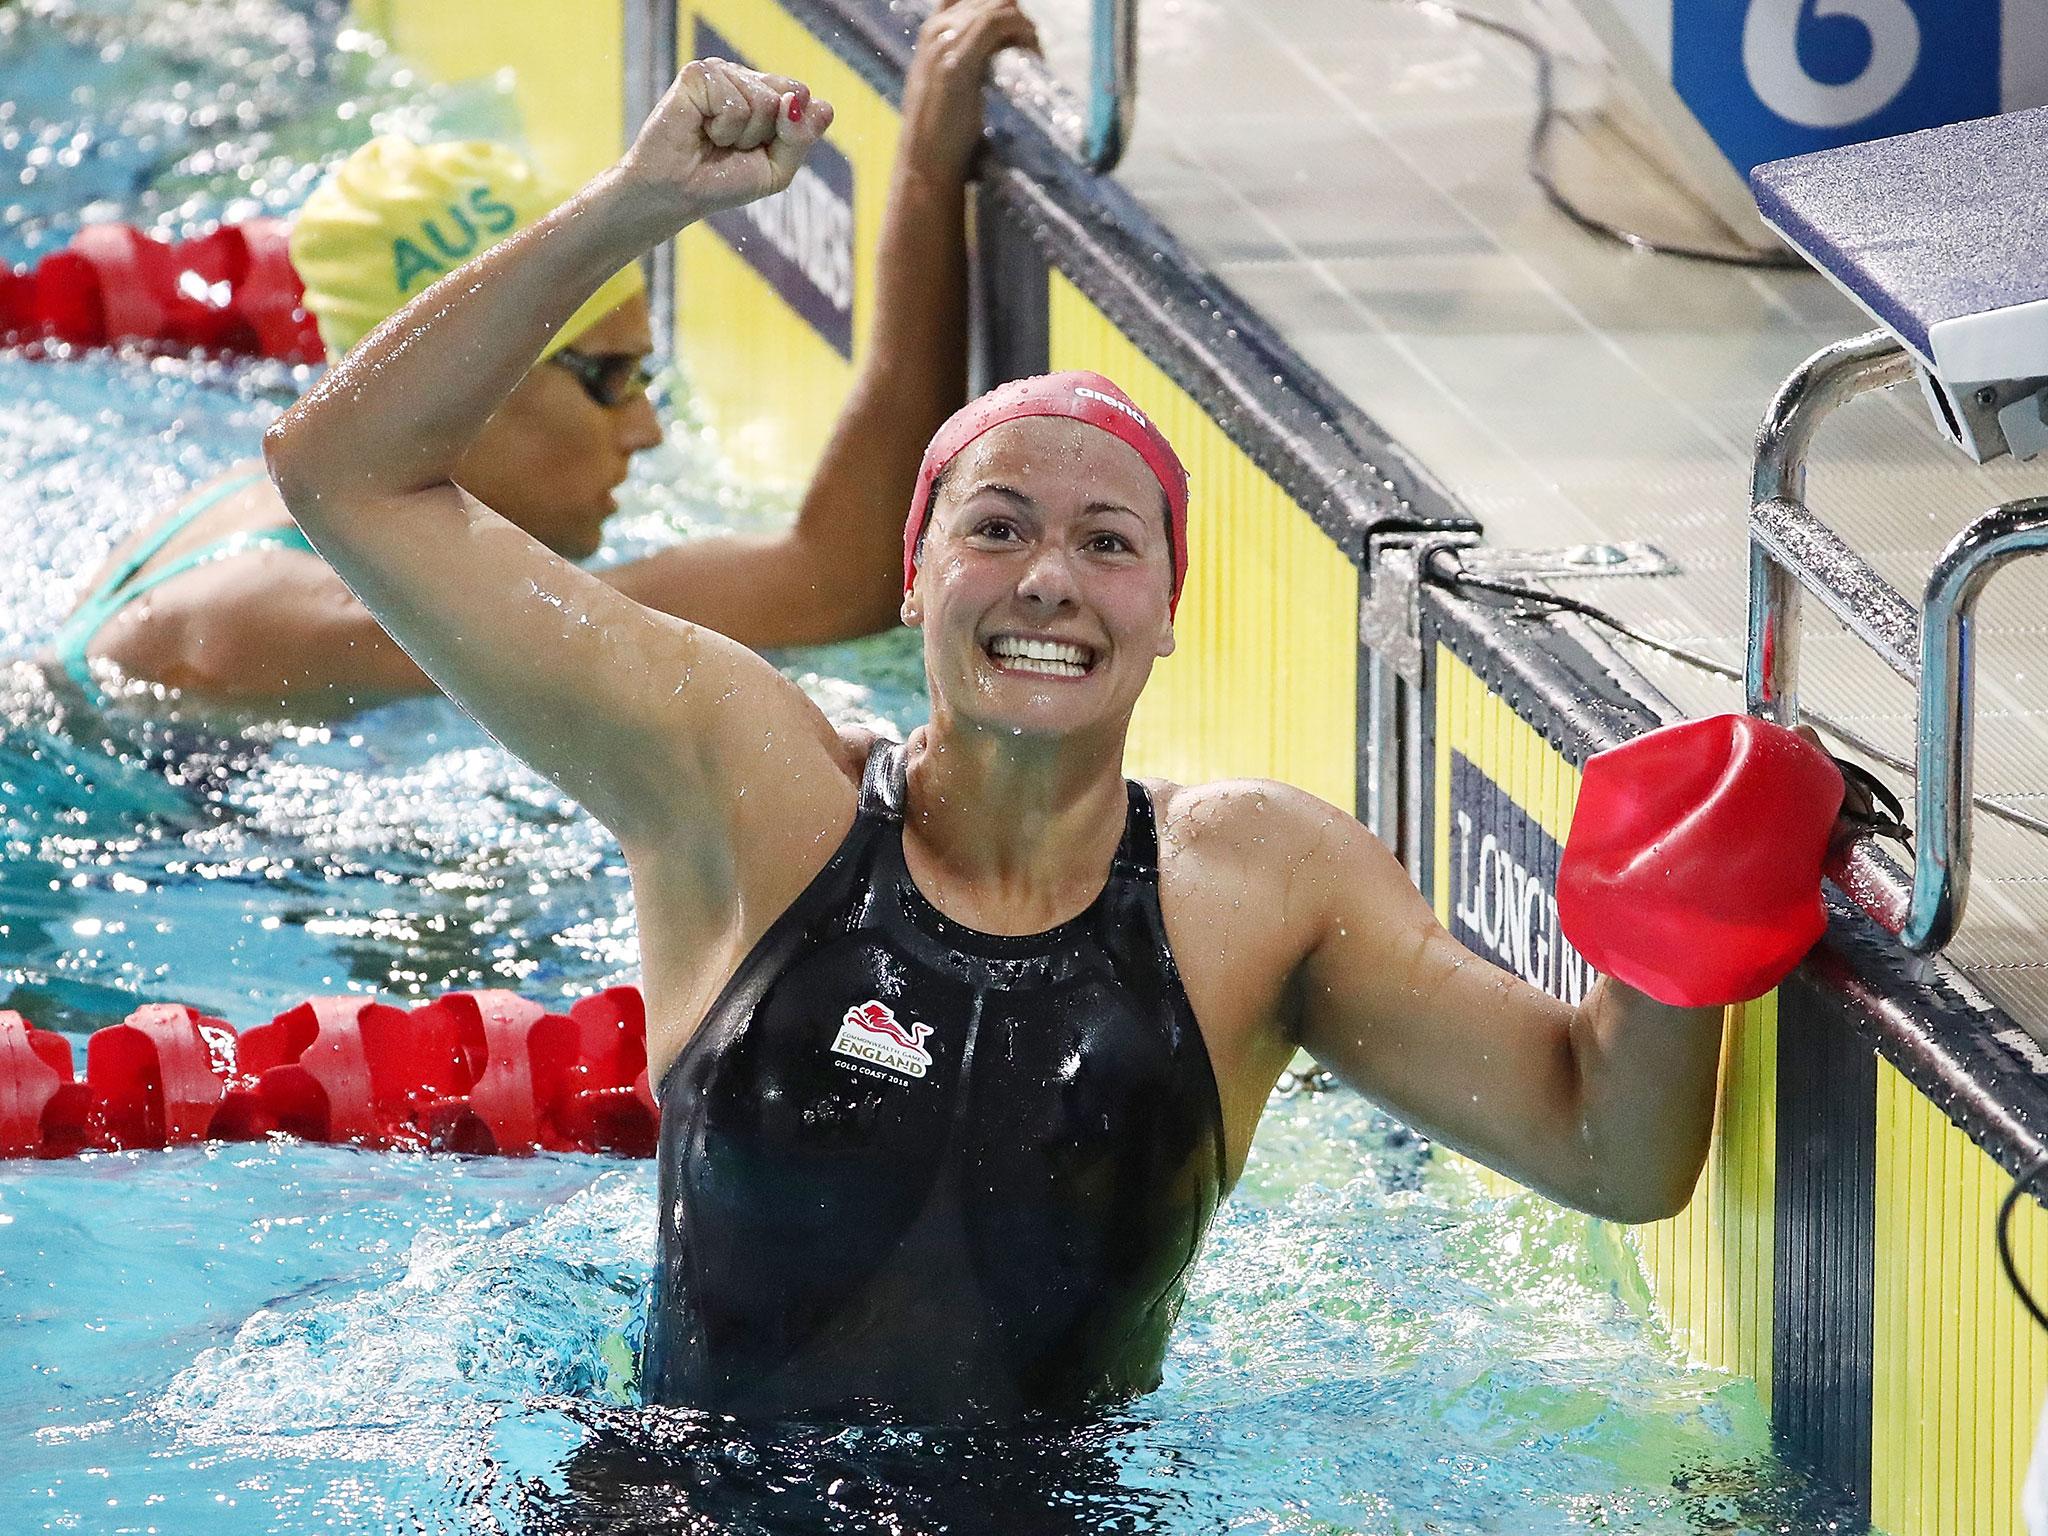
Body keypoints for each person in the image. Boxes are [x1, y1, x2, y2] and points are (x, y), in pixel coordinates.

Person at [263, 56, 1772, 1425]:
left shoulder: (1260, 885)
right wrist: (636, 204)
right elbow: (348, 475)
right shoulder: (745, 782)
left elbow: (1601, 1150)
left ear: (1170, 610)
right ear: (912, 576)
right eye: (999, 529)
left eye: (1108, 543)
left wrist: (1672, 934)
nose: (1050, 576)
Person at [46, 0, 1038, 716]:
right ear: (464, 393)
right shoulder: (277, 614)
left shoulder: (288, 517)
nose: (646, 430)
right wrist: (923, 170)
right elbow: (835, 583)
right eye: (604, 381)